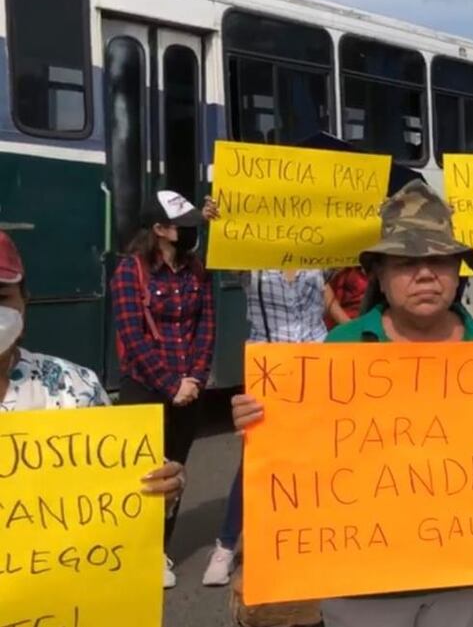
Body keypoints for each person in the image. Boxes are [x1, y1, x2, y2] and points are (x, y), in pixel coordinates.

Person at [229, 181, 473, 627]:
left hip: (460, 579)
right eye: (406, 263)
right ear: (379, 274)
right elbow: (298, 459)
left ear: (459, 272)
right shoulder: (339, 348)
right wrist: (260, 421)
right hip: (360, 585)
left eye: (439, 261)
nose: (425, 274)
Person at [0, 229, 185, 582]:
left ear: (25, 300)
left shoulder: (75, 387)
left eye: (0, 295)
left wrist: (166, 484)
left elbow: (128, 480)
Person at [201, 264, 350, 587]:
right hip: (270, 367)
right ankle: (226, 545)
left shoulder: (317, 260)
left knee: (319, 457)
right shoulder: (251, 266)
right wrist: (216, 217)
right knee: (256, 459)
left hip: (316, 363)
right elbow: (224, 252)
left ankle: (310, 540)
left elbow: (347, 252)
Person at [109, 189, 215, 589]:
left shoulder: (197, 270)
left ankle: (160, 550)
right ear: (159, 230)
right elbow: (132, 338)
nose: (190, 232)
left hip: (188, 387)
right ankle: (135, 549)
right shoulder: (129, 272)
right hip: (146, 386)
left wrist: (196, 380)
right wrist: (171, 384)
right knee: (143, 475)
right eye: (182, 226)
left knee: (174, 475)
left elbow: (207, 326)